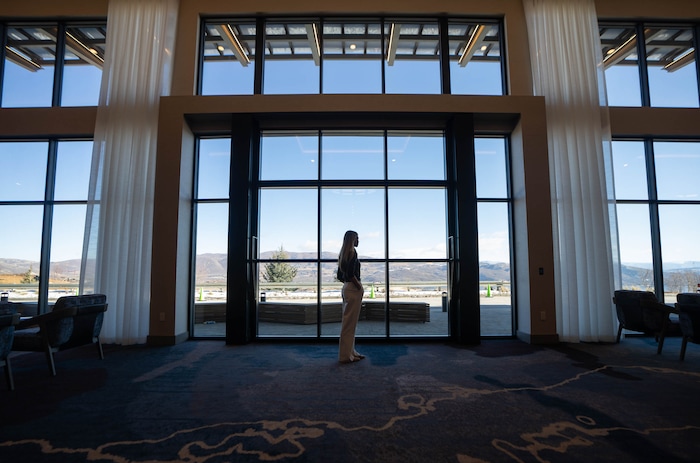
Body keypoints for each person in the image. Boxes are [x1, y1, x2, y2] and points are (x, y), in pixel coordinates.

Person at [337, 230, 365, 364]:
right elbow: (350, 274)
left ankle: (350, 352)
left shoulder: (343, 254)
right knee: (350, 324)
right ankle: (346, 356)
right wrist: (359, 286)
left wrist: (349, 285)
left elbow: (340, 276)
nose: (358, 240)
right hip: (353, 289)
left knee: (348, 323)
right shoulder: (353, 253)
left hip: (346, 288)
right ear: (352, 240)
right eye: (357, 238)